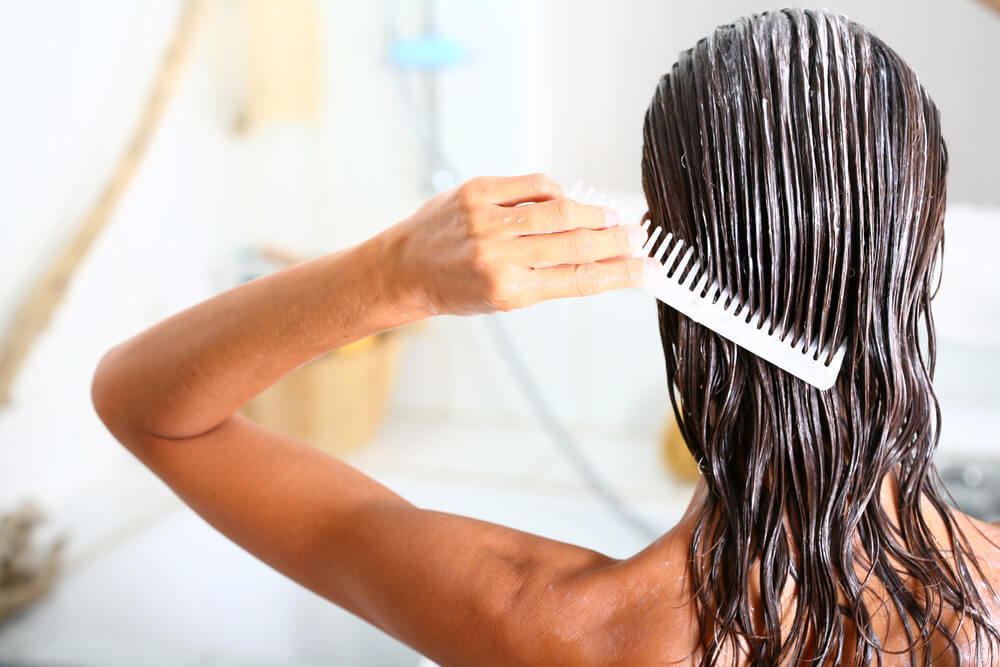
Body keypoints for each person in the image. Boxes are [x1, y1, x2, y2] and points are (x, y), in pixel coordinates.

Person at [93, 9, 1000, 666]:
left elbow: (148, 407)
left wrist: (390, 270)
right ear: (926, 245)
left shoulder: (561, 627)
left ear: (675, 271)